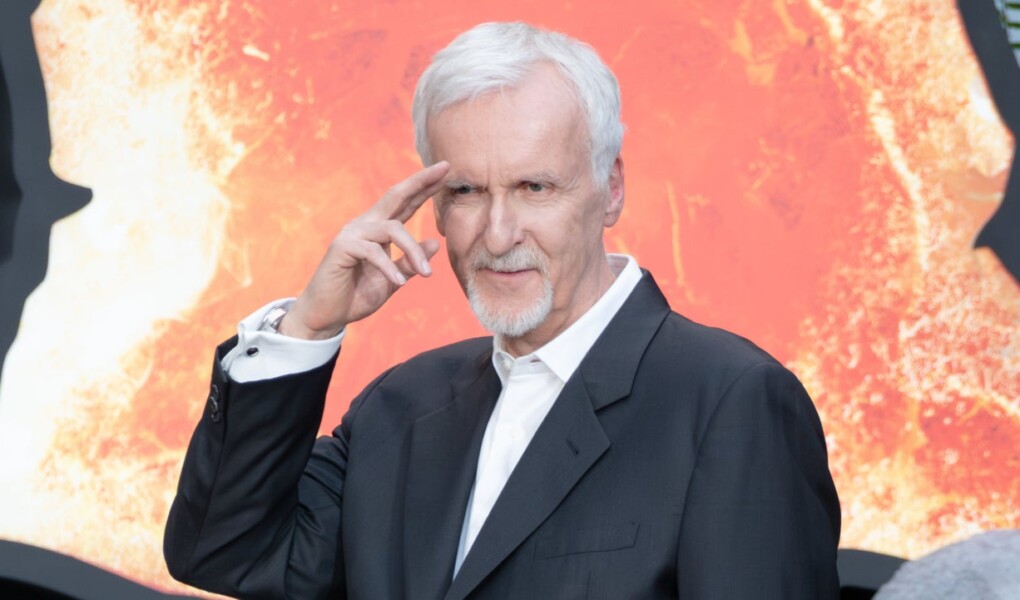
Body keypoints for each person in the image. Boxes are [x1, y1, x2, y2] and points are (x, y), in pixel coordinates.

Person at [164, 21, 840, 599]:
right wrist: (308, 328)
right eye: (465, 191)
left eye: (533, 187)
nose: (497, 233)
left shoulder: (731, 402)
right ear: (433, 207)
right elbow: (226, 551)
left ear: (610, 189)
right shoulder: (398, 409)